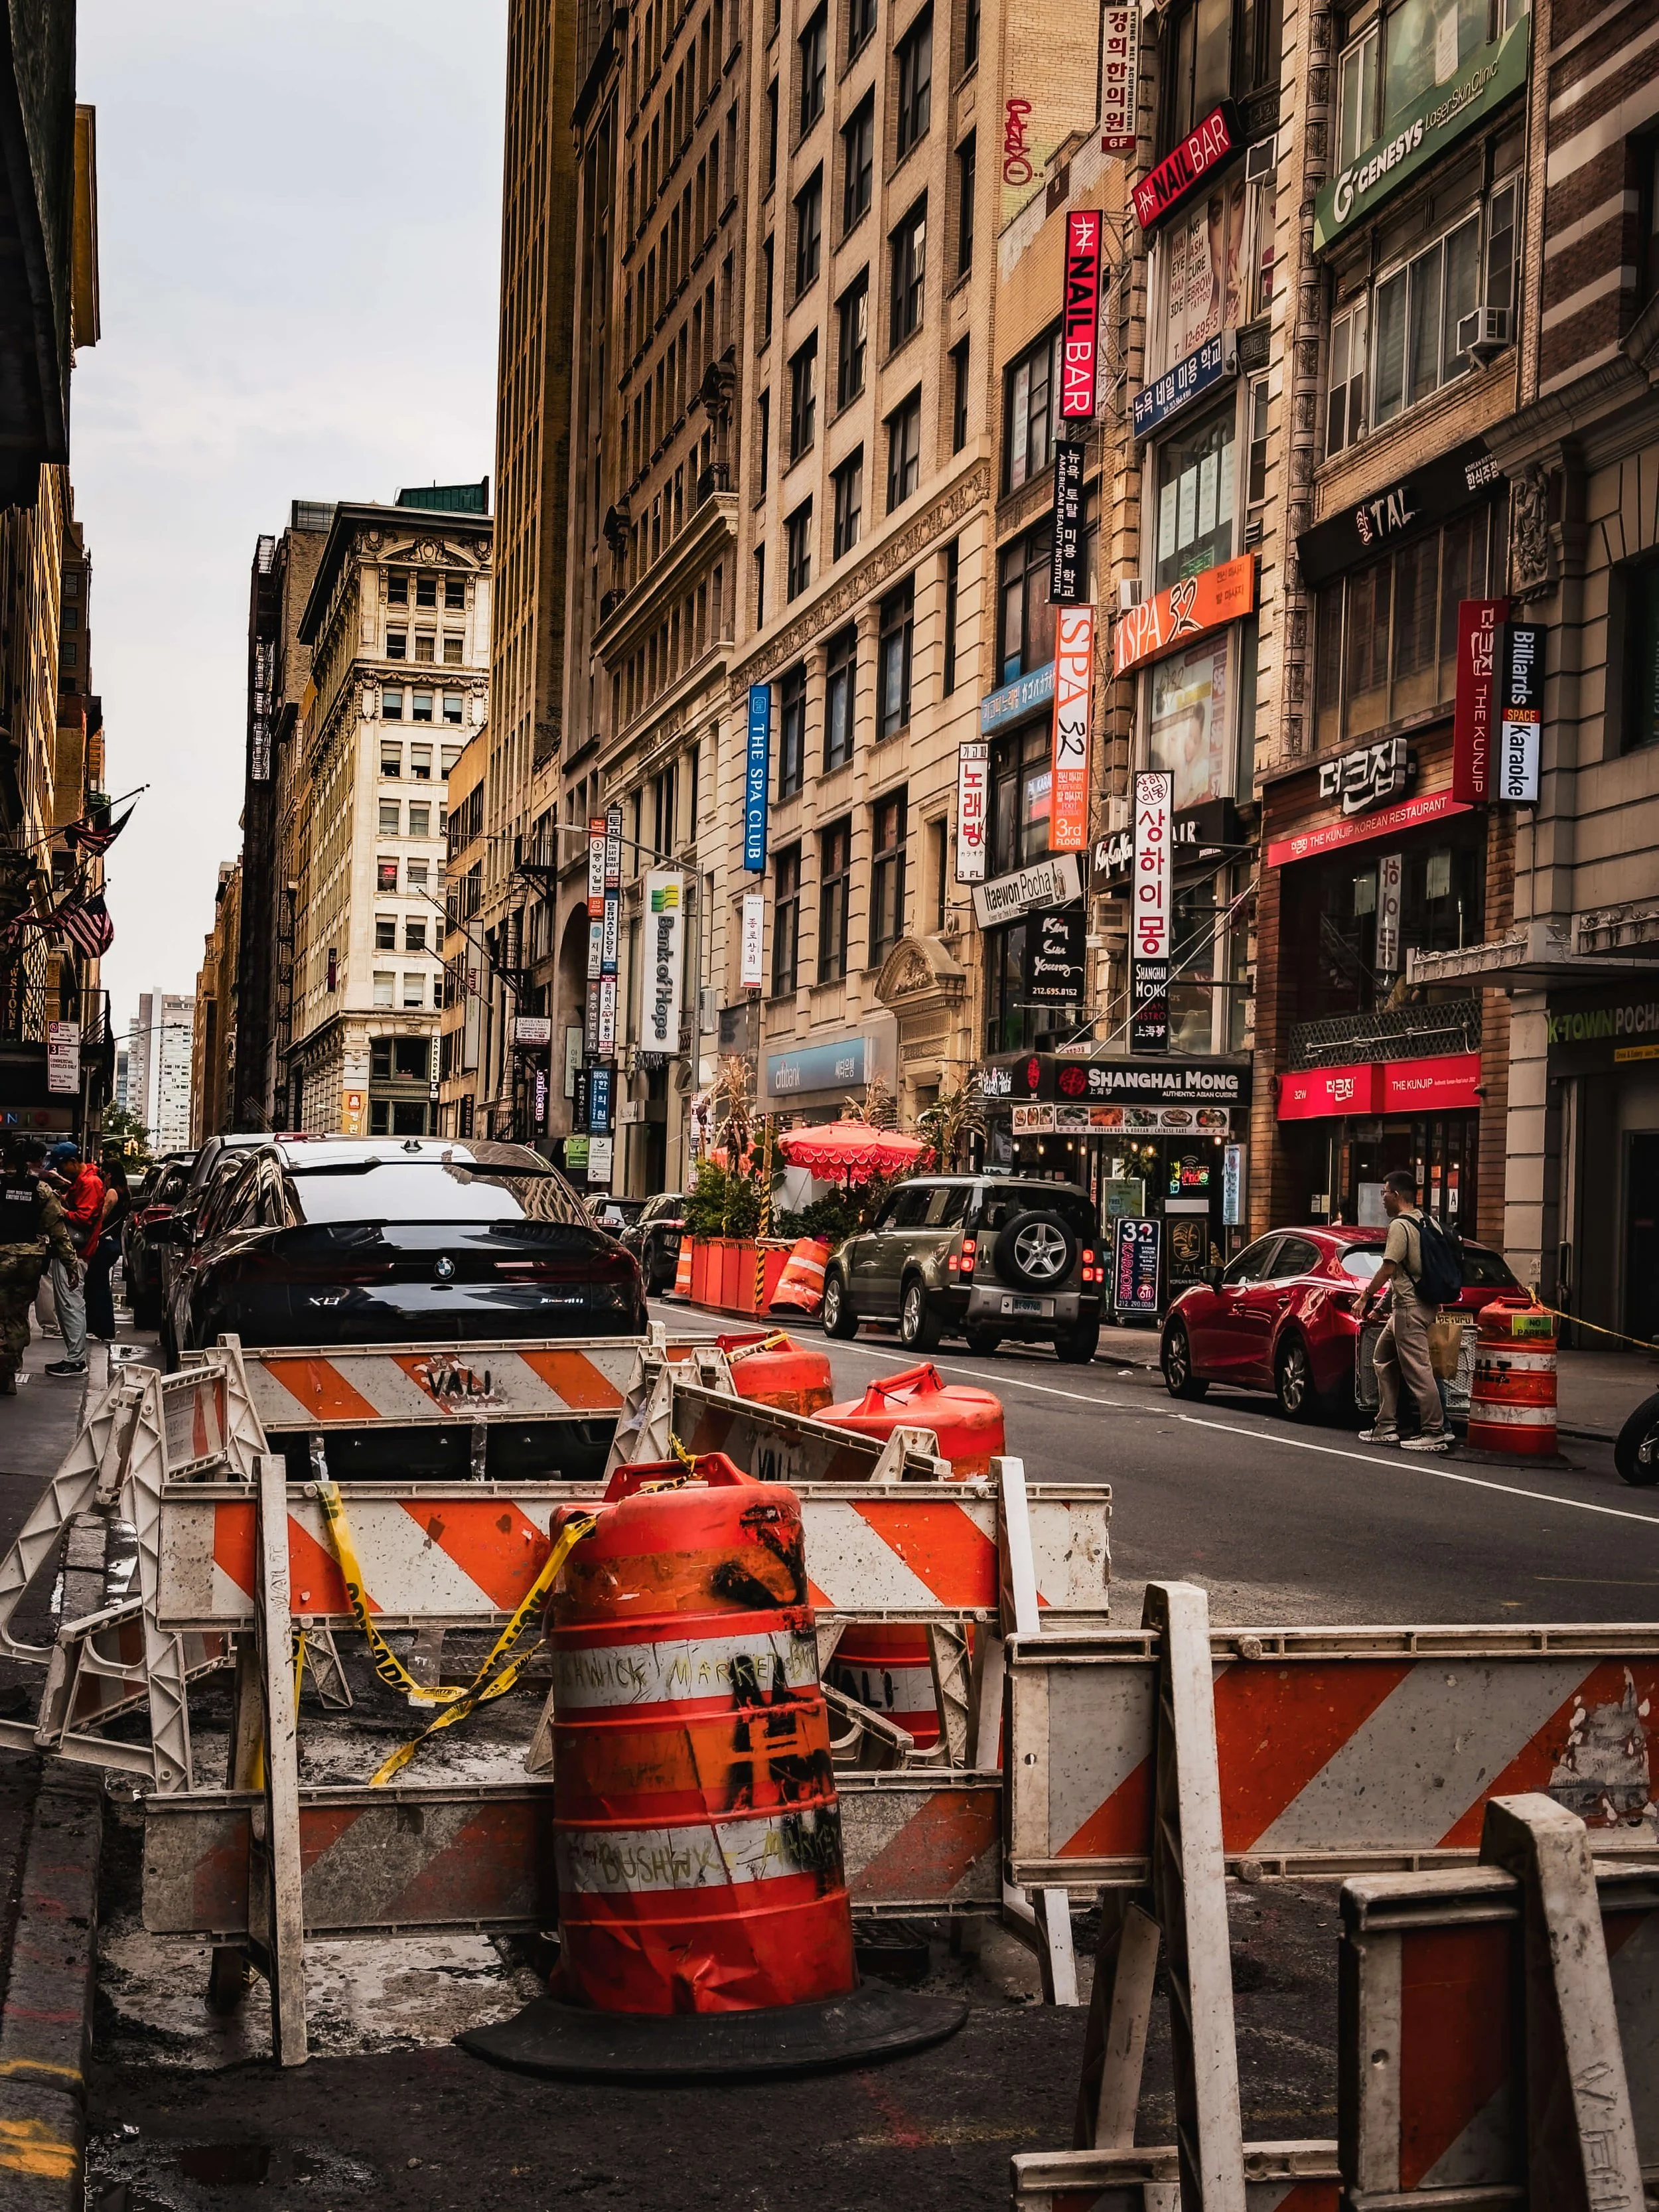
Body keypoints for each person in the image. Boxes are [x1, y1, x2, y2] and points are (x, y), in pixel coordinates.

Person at [1358, 1168, 1451, 1453]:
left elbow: (1388, 1267)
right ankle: (1386, 1424)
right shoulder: (1428, 1222)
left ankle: (1435, 1431)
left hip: (1410, 1311)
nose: (1382, 1198)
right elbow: (1405, 1274)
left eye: (1384, 1193)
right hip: (1419, 1306)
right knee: (1383, 1357)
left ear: (1397, 1195)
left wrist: (1365, 1297)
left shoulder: (1400, 1226)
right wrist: (1382, 1309)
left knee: (1419, 1373)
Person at [0, 1140, 78, 1394]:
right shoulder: (42, 1190)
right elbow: (58, 1232)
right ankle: (8, 1371)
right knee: (17, 1316)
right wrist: (71, 1265)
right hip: (28, 1261)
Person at [42, 1140, 103, 1379]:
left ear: (73, 1162)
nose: (60, 1171)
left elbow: (84, 1217)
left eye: (62, 1166)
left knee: (70, 1304)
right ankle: (74, 1356)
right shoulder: (85, 1181)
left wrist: (60, 1210)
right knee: (67, 1304)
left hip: (76, 1253)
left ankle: (76, 1360)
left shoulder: (90, 1182)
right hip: (71, 1251)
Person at [84, 1149, 133, 1343]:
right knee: (99, 1286)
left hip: (104, 1244)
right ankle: (100, 1328)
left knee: (98, 1287)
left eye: (103, 1174)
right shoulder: (125, 1192)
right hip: (112, 1244)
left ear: (110, 1174)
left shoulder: (112, 1192)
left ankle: (103, 1329)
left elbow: (101, 1216)